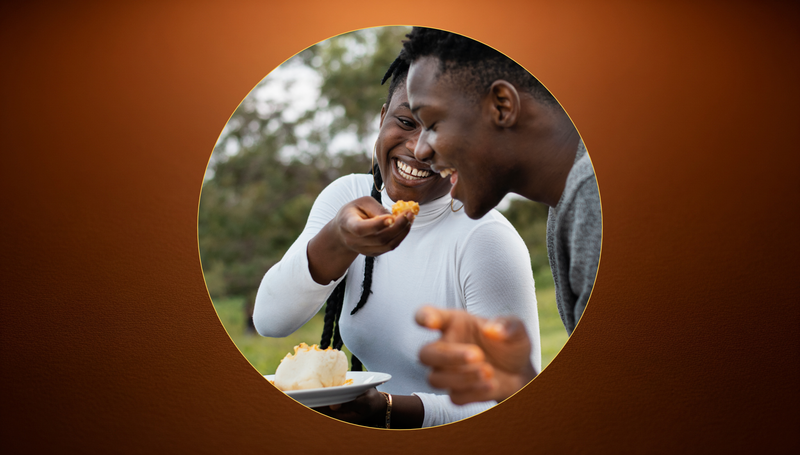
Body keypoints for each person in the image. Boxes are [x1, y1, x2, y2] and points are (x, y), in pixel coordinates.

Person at [252, 51, 542, 428]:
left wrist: (389, 410)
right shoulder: (347, 196)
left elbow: (514, 403)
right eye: (406, 122)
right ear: (382, 117)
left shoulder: (485, 239)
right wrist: (339, 240)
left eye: (443, 131)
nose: (419, 148)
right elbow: (270, 320)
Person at [400, 27, 602, 405]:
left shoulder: (593, 198)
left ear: (502, 106)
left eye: (432, 123)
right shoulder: (568, 205)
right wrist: (520, 385)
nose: (421, 150)